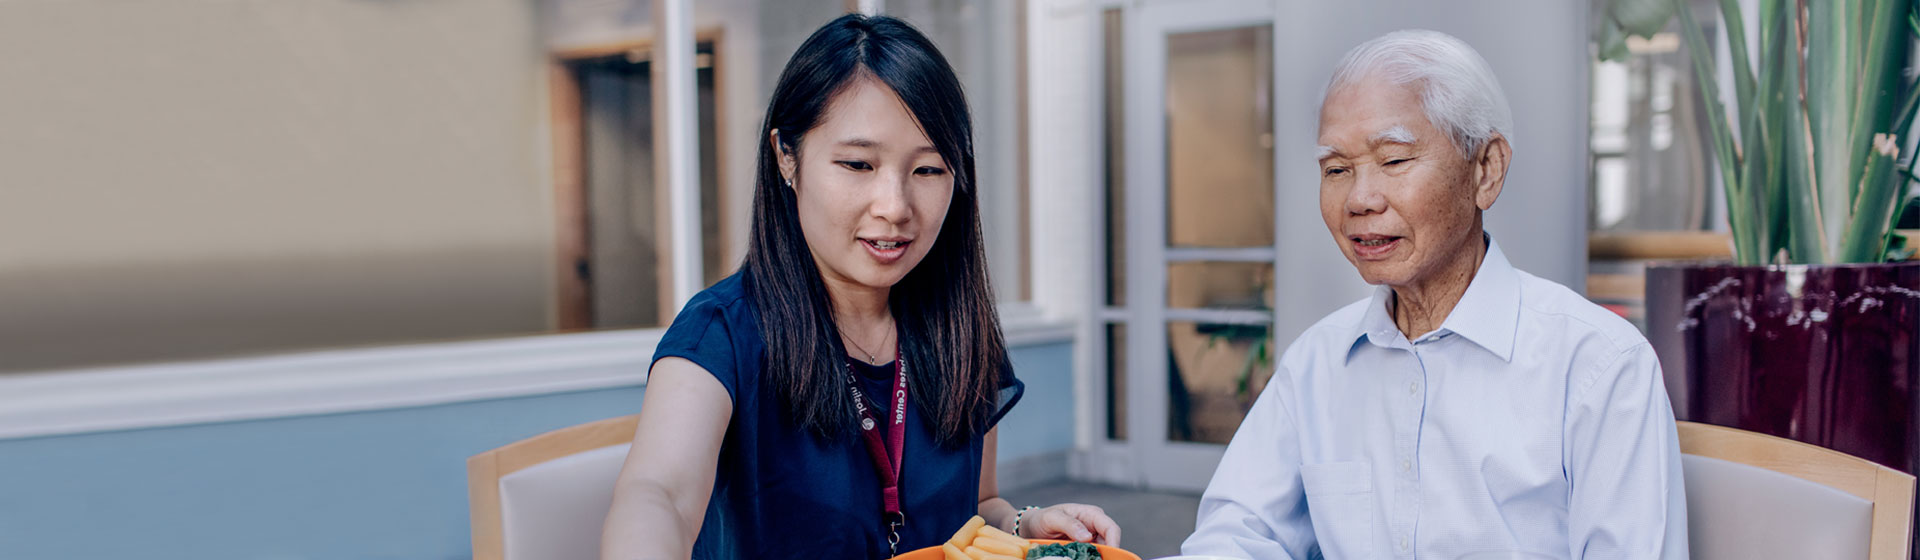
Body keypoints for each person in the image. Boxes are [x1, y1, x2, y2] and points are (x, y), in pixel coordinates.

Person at [599, 14, 1120, 560]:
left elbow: (977, 507)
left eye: (928, 170)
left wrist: (1026, 523)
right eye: (858, 163)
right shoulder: (723, 333)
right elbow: (660, 496)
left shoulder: (958, 329)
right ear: (786, 156)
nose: (895, 207)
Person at [1181, 30, 1687, 559]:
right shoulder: (1316, 363)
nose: (1359, 199)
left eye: (1394, 160)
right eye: (1336, 169)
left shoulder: (1599, 365)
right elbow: (1238, 533)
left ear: (1485, 170)